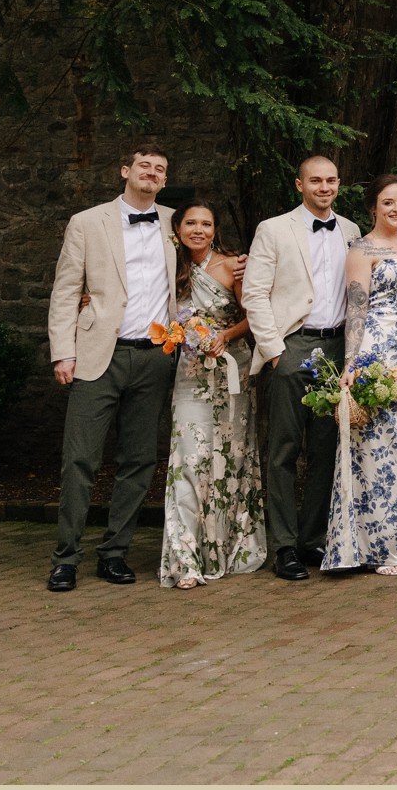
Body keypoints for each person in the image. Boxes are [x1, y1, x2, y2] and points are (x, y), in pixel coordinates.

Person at [44, 144, 182, 591]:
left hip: (155, 357)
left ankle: (114, 553)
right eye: (144, 166)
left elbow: (204, 262)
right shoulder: (87, 222)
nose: (152, 173)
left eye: (160, 169)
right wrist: (63, 351)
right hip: (97, 354)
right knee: (79, 459)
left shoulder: (175, 222)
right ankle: (65, 558)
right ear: (125, 170)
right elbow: (66, 291)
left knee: (139, 459)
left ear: (165, 180)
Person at [242, 155, 361, 582]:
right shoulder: (274, 229)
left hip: (337, 348)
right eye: (315, 181)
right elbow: (254, 294)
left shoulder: (351, 231)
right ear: (300, 184)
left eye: (331, 180)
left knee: (326, 449)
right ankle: (284, 546)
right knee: (284, 450)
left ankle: (313, 539)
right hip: (293, 344)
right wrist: (276, 352)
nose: (324, 187)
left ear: (338, 183)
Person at [324, 174, 397, 574]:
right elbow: (356, 308)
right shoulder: (361, 249)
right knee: (378, 448)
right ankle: (374, 547)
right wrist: (351, 364)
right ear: (373, 207)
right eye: (388, 202)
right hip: (380, 354)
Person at [159, 200, 264, 588]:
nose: (198, 230)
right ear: (178, 229)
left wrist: (225, 335)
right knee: (188, 459)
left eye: (206, 224)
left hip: (232, 373)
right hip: (190, 375)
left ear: (215, 230)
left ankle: (227, 545)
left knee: (229, 459)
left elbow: (253, 316)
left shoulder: (233, 266)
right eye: (191, 223)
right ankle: (185, 558)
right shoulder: (169, 270)